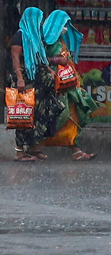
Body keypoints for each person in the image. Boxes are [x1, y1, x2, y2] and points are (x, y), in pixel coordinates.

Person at [38, 10, 98, 161]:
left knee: (72, 115)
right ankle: (36, 146)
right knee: (62, 117)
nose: (65, 28)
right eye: (63, 24)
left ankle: (75, 149)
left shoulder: (60, 40)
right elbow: (41, 60)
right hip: (55, 86)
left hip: (68, 85)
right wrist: (58, 61)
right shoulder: (46, 41)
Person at [8, 8, 65, 162]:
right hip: (25, 80)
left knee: (44, 111)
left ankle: (33, 146)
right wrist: (20, 79)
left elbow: (39, 57)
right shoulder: (21, 35)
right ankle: (19, 151)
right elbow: (15, 58)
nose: (40, 23)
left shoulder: (36, 36)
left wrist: (48, 70)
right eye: (38, 19)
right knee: (24, 114)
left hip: (39, 81)